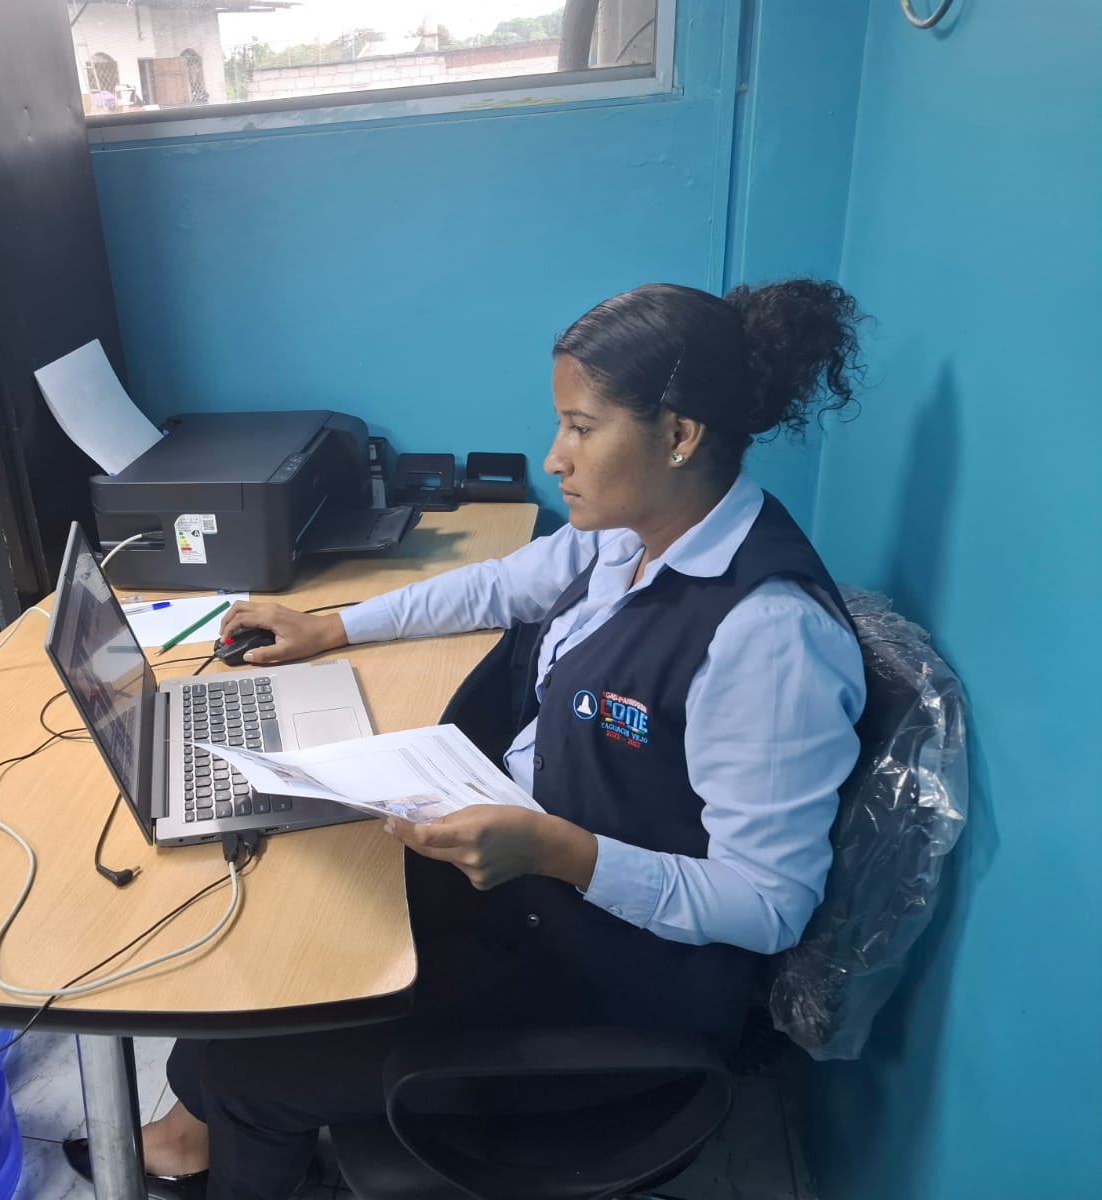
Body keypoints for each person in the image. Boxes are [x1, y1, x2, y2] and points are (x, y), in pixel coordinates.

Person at [65, 279, 869, 1200]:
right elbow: (498, 586)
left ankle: (232, 1133)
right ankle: (187, 1139)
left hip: (610, 986)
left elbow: (768, 905)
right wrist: (333, 626)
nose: (555, 457)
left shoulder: (768, 636)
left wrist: (559, 852)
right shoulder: (633, 534)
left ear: (679, 434)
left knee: (254, 1069)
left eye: (581, 428)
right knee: (266, 942)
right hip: (531, 892)